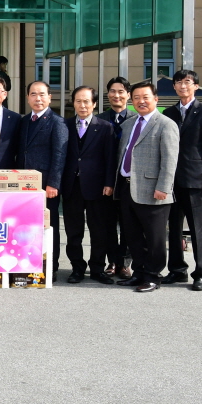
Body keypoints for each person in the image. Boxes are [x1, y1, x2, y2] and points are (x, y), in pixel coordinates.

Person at [114, 81, 179, 293]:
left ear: (156, 99)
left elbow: (170, 159)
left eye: (145, 97)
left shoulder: (166, 124)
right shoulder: (129, 124)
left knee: (154, 238)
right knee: (132, 236)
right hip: (127, 188)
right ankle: (139, 273)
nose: (141, 101)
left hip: (154, 190)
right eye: (136, 98)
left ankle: (153, 276)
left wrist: (164, 187)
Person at [164, 69, 202, 291]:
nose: (182, 85)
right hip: (170, 180)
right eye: (178, 82)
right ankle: (177, 270)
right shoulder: (168, 112)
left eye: (187, 82)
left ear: (196, 86)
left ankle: (201, 273)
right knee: (174, 228)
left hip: (195, 179)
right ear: (174, 87)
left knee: (198, 229)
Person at [60, 86, 116, 284]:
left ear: (94, 104)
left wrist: (109, 183)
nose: (82, 105)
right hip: (71, 185)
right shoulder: (64, 125)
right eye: (78, 101)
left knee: (98, 230)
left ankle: (97, 268)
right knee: (73, 231)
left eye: (86, 101)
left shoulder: (105, 127)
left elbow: (110, 158)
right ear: (73, 103)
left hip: (97, 186)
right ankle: (77, 267)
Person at [17, 81, 67, 277]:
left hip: (46, 185)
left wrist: (53, 183)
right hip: (24, 183)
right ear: (27, 98)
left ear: (49, 97)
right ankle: (29, 262)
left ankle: (51, 266)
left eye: (42, 94)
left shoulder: (57, 122)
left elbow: (59, 154)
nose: (38, 98)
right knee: (27, 224)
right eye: (33, 94)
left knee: (48, 225)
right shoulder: (24, 121)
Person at [101, 77, 133, 279]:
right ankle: (112, 261)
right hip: (106, 180)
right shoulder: (100, 119)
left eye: (121, 91)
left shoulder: (137, 119)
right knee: (108, 223)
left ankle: (125, 263)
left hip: (128, 181)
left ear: (128, 95)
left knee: (129, 223)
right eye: (112, 91)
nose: (116, 95)